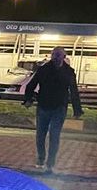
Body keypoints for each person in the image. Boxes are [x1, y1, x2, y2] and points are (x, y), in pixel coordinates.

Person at [23, 46, 83, 174]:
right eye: (54, 55)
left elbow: (74, 91)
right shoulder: (43, 69)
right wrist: (28, 99)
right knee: (40, 135)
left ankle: (50, 164)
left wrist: (77, 109)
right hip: (43, 105)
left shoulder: (69, 72)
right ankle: (41, 159)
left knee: (54, 136)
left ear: (64, 57)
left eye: (58, 55)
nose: (55, 57)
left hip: (59, 107)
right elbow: (31, 85)